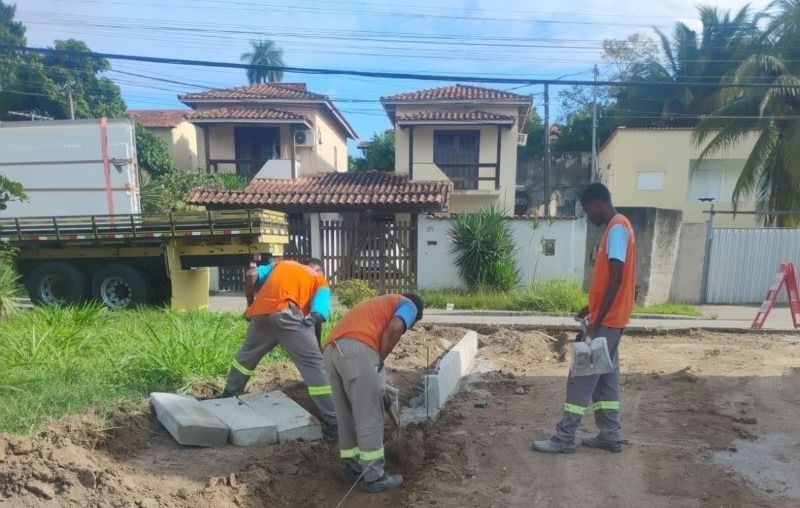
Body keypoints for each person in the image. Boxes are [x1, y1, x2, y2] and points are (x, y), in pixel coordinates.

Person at [532, 182, 635, 454]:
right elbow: (610, 281)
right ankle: (610, 434)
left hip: (607, 321)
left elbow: (616, 277)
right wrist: (590, 308)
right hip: (612, 318)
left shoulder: (616, 230)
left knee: (581, 377)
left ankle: (564, 437)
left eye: (588, 210)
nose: (588, 216)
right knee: (605, 378)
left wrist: (597, 319)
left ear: (598, 204)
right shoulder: (620, 227)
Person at [220, 258, 338, 438]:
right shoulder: (319, 280)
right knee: (315, 367)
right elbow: (318, 315)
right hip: (288, 316)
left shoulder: (281, 265)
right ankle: (334, 422)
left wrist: (250, 305)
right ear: (319, 270)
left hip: (260, 315)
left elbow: (251, 274)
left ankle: (229, 393)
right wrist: (313, 346)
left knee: (245, 358)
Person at [323, 293, 424, 493]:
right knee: (369, 415)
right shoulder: (409, 305)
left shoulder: (379, 304)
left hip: (331, 352)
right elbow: (395, 327)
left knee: (346, 415)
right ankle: (374, 476)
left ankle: (353, 469)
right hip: (358, 350)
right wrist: (379, 360)